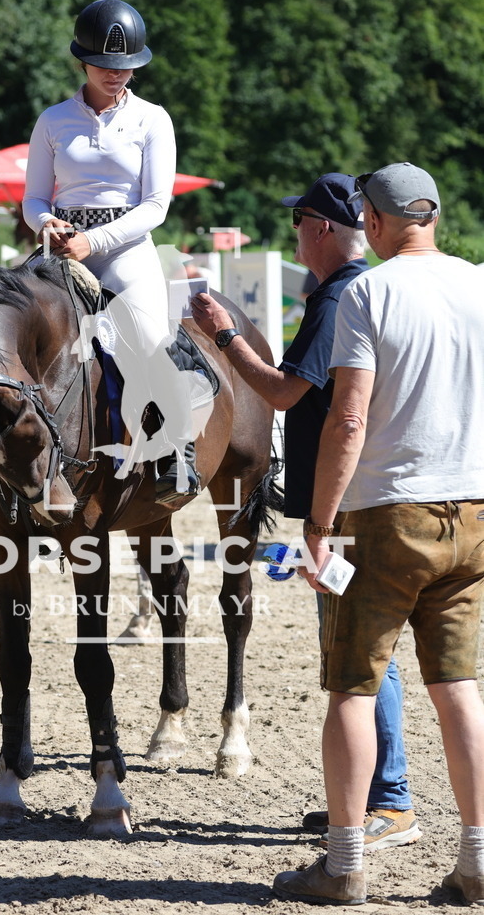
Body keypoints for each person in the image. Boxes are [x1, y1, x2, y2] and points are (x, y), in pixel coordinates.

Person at [272, 162, 484, 905]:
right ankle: (476, 860)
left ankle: (344, 863)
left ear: (371, 219)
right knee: (457, 686)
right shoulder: (479, 282)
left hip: (386, 516)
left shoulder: (367, 291)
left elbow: (348, 416)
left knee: (352, 690)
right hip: (472, 511)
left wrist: (319, 523)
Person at [191, 172, 421, 852]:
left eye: (297, 224)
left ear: (320, 228)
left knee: (360, 652)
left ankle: (390, 801)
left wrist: (227, 336)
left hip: (348, 504)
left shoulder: (336, 297)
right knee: (366, 652)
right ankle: (371, 797)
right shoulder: (374, 288)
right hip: (378, 492)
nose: (295, 234)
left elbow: (285, 394)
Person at [22, 0, 198, 502]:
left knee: (149, 334)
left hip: (125, 249)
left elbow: (156, 205)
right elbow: (35, 196)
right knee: (1, 319)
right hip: (59, 247)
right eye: (105, 65)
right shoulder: (53, 120)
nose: (117, 75)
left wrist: (93, 240)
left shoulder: (153, 119)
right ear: (82, 60)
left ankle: (175, 447)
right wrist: (47, 222)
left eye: (127, 67)